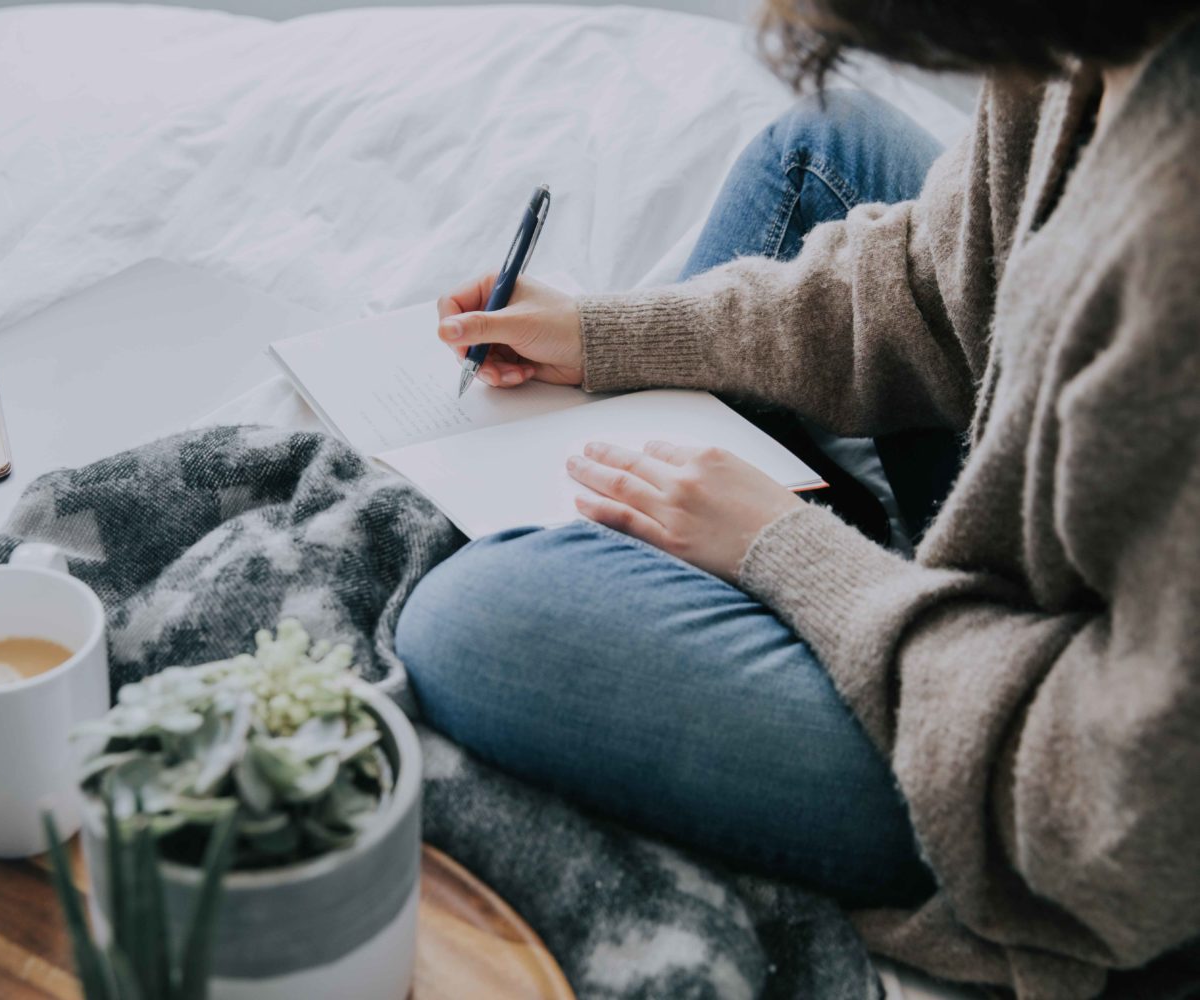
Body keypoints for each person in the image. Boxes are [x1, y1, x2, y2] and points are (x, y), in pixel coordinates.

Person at [394, 1, 1200, 996]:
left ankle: (709, 582)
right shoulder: (1089, 46)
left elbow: (1123, 823)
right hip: (1036, 571)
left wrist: (787, 549)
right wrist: (615, 334)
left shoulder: (1178, 242)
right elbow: (938, 289)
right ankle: (690, 556)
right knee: (820, 151)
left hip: (1052, 801)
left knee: (472, 616)